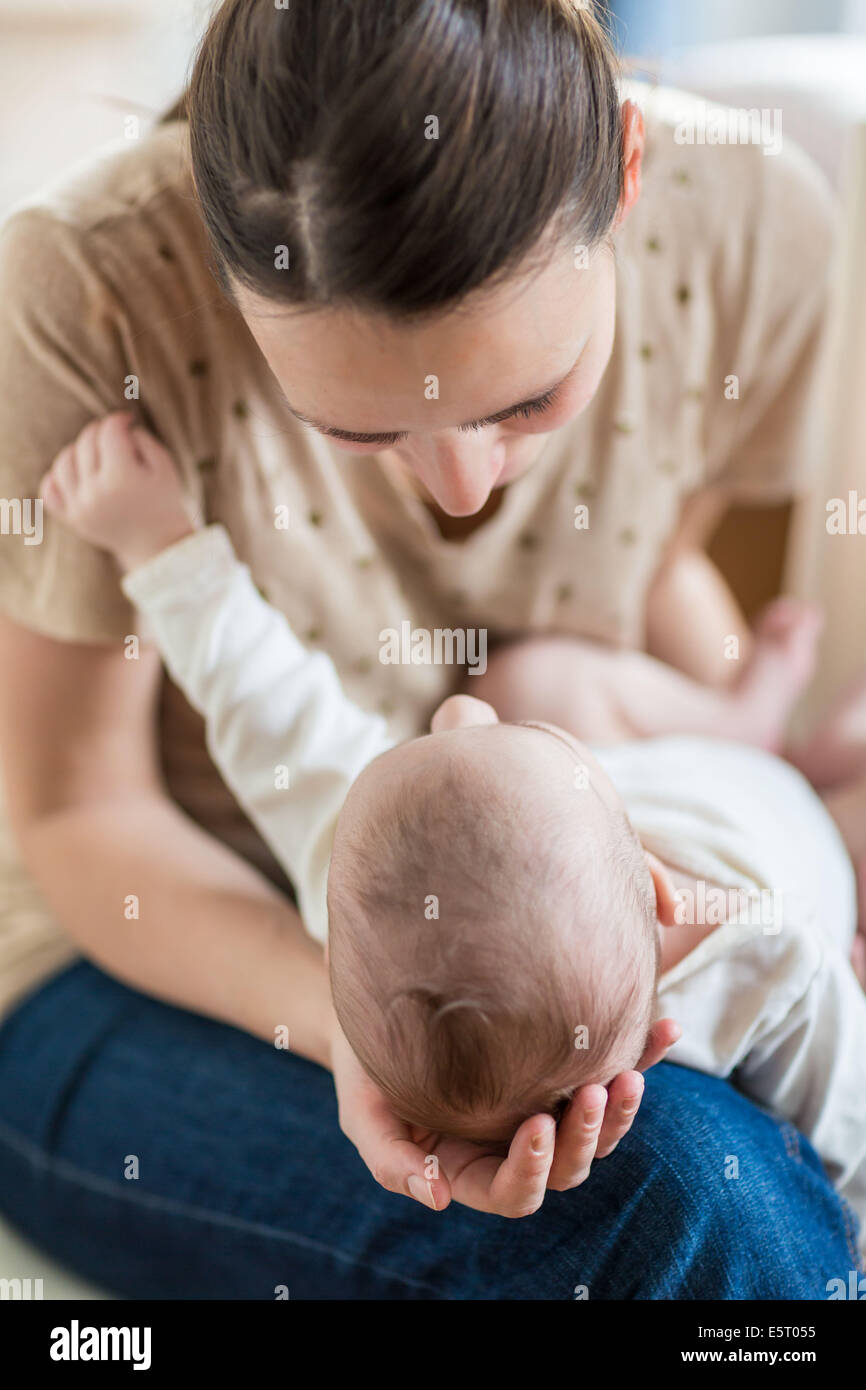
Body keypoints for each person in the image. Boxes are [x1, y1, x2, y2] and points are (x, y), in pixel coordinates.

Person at [0, 0, 857, 1296]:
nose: (461, 489)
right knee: (676, 1188)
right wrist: (350, 1018)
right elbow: (82, 815)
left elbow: (639, 576)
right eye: (355, 430)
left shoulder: (752, 229)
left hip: (517, 891)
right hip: (112, 957)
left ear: (624, 171)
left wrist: (773, 789)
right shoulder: (87, 293)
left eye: (529, 400)